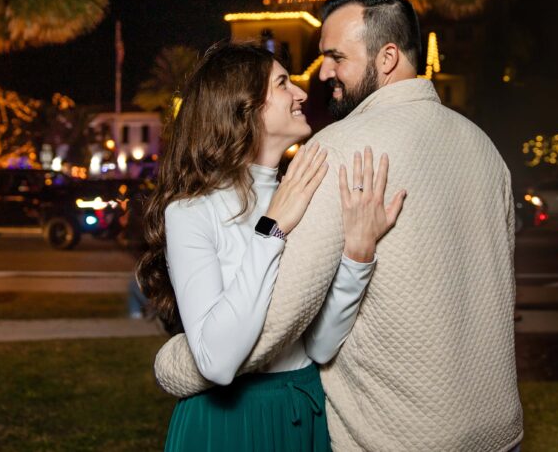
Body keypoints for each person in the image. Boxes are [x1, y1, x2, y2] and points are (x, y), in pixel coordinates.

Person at [154, 0, 523, 452]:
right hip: (494, 429)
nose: (316, 78)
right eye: (284, 83)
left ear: (386, 57)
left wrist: (174, 364)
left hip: (357, 425)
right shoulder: (485, 148)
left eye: (335, 57)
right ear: (241, 108)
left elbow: (299, 331)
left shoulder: (331, 155)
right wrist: (299, 237)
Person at [136, 42, 404, 451]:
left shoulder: (306, 196)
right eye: (282, 84)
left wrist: (357, 255)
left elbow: (321, 344)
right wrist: (272, 228)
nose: (300, 92)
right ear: (243, 108)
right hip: (228, 425)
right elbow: (217, 360)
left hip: (302, 408)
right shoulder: (192, 212)